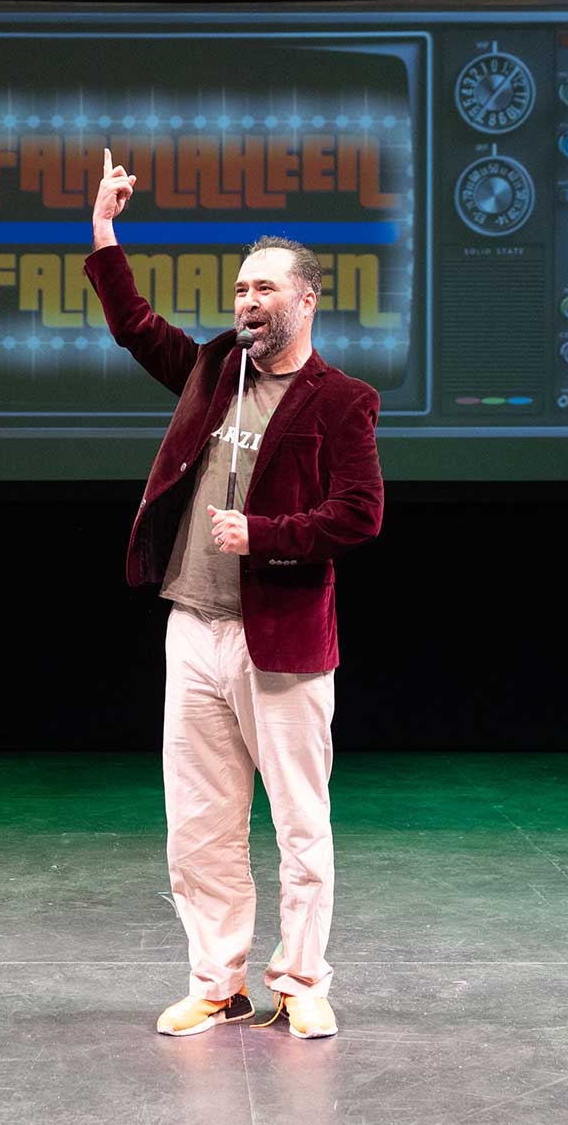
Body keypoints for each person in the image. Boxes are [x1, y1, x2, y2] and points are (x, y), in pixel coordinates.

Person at [83, 149, 384, 1039]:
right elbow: (137, 326)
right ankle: (218, 981)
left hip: (281, 636)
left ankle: (301, 979)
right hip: (194, 626)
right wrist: (104, 227)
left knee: (299, 823)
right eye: (240, 289)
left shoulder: (342, 400)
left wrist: (265, 535)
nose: (245, 302)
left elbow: (360, 516)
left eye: (263, 290)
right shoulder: (214, 368)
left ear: (306, 300)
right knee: (201, 824)